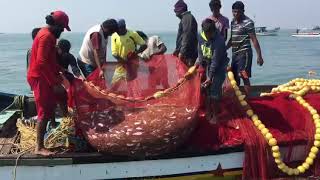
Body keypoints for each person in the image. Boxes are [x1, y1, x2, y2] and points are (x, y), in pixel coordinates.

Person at [27, 10, 71, 156]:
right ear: (57, 25)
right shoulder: (46, 36)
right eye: (62, 28)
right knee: (44, 111)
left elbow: (49, 60)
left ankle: (54, 125)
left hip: (44, 75)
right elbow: (41, 62)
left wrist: (60, 70)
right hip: (40, 77)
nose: (62, 31)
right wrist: (53, 83)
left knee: (55, 100)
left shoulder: (47, 34)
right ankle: (39, 147)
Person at [195, 18, 229, 123]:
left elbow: (215, 61)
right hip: (207, 64)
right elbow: (200, 51)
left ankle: (215, 116)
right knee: (207, 90)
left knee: (214, 90)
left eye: (211, 34)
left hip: (219, 66)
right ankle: (209, 112)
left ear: (214, 31)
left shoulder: (219, 40)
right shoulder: (200, 36)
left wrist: (210, 77)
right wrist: (200, 64)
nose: (210, 36)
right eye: (207, 34)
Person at [227, 1, 264, 95]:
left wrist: (259, 56)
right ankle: (238, 100)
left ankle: (249, 99)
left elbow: (254, 39)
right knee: (234, 77)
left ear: (243, 11)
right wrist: (224, 48)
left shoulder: (248, 22)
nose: (235, 14)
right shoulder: (233, 22)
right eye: (233, 11)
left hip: (245, 53)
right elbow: (232, 39)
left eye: (237, 12)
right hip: (235, 54)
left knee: (244, 75)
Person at [111, 19, 147, 88]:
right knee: (114, 85)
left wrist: (136, 53)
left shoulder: (132, 34)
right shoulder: (114, 36)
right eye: (116, 29)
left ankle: (133, 97)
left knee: (131, 85)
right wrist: (123, 61)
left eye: (119, 29)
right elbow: (114, 53)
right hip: (121, 64)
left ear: (124, 27)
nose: (117, 31)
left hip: (132, 64)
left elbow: (144, 45)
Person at [173, 0, 198, 67]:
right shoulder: (186, 18)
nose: (175, 13)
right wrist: (177, 50)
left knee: (188, 75)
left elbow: (187, 35)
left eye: (176, 11)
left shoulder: (187, 18)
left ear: (180, 9)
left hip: (188, 55)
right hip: (187, 54)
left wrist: (182, 52)